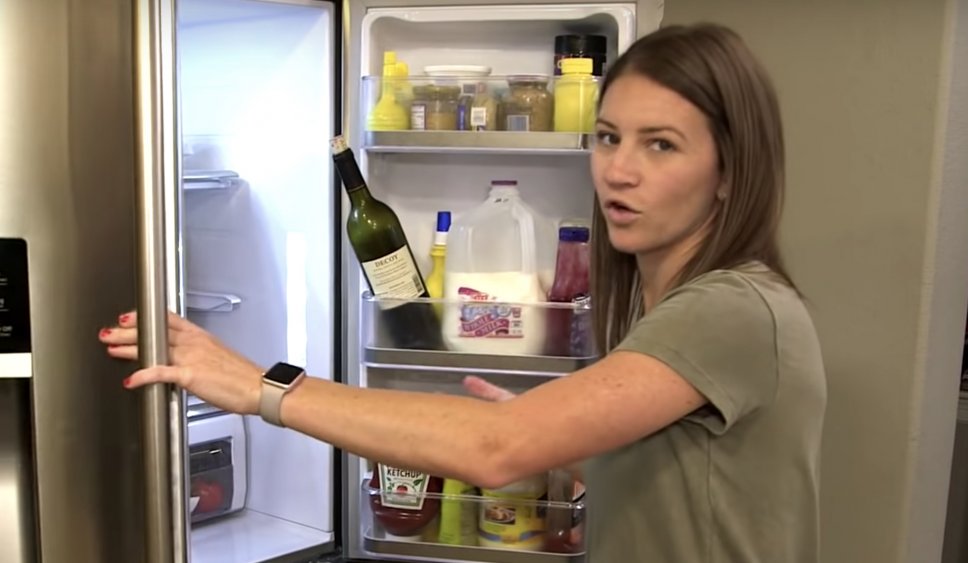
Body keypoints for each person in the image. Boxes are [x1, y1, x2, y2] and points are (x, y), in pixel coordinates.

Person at [99, 23, 826, 562]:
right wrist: (562, 437)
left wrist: (262, 384)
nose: (619, 171)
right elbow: (690, 486)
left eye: (660, 144)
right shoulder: (673, 308)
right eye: (608, 137)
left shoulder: (730, 308)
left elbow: (494, 450)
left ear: (730, 170)